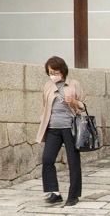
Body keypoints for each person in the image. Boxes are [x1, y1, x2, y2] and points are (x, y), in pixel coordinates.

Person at [35, 56, 85, 207]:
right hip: (53, 128)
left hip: (70, 128)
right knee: (47, 159)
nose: (53, 75)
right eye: (50, 72)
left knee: (73, 161)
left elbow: (83, 106)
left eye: (55, 72)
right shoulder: (48, 86)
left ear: (62, 70)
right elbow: (44, 106)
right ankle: (54, 193)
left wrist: (74, 102)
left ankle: (73, 195)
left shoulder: (74, 84)